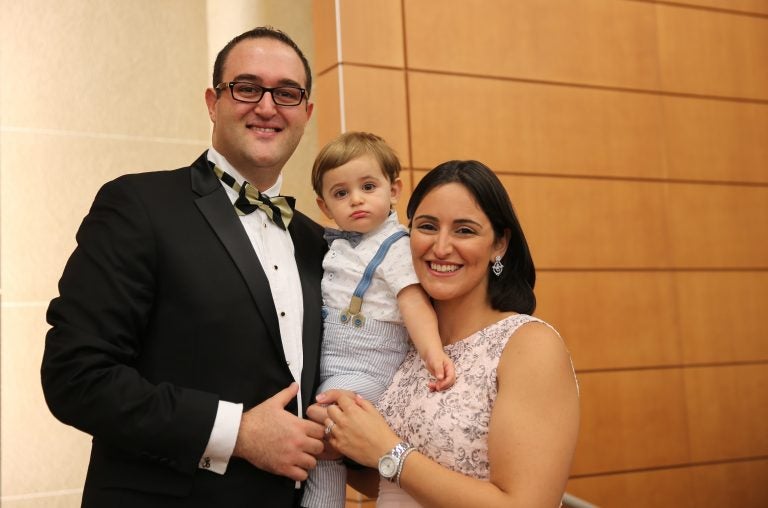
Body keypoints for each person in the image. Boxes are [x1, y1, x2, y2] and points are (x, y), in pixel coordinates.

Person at [41, 27, 327, 508]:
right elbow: (76, 376)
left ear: (306, 112)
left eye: (287, 93)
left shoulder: (318, 241)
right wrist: (235, 433)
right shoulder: (138, 205)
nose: (267, 106)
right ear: (213, 102)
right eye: (247, 87)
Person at [309, 160, 580, 507]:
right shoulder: (408, 343)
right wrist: (340, 446)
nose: (440, 247)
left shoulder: (528, 345)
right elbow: (395, 482)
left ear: (499, 244)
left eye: (464, 230)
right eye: (426, 226)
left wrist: (387, 450)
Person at [301, 132, 456, 508]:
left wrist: (432, 353)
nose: (355, 199)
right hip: (335, 365)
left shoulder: (396, 246)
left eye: (368, 186)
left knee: (319, 423)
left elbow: (414, 302)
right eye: (341, 193)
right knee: (326, 455)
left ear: (394, 190)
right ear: (324, 206)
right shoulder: (336, 244)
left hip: (371, 369)